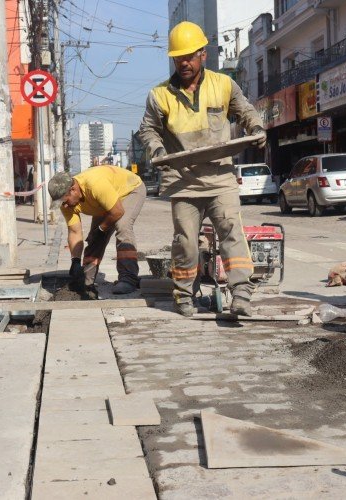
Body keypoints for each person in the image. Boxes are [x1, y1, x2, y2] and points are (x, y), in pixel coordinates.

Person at [138, 21, 266, 318]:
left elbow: (244, 110)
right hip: (182, 180)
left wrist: (256, 127)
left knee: (231, 231)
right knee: (185, 241)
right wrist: (157, 150)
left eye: (188, 57)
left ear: (202, 55)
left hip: (220, 176)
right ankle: (183, 294)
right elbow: (148, 130)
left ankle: (242, 293)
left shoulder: (222, 84)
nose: (183, 62)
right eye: (177, 57)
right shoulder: (160, 95)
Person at [48, 167, 145, 298]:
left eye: (64, 201)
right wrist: (75, 260)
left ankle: (128, 278)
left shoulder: (95, 185)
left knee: (123, 226)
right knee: (94, 237)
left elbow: (117, 211)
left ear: (73, 190)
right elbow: (74, 231)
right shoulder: (67, 204)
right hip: (104, 201)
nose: (64, 206)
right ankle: (86, 279)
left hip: (129, 190)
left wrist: (101, 228)